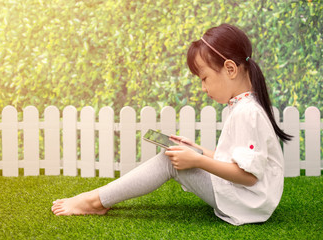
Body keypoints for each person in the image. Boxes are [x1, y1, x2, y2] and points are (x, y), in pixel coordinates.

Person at [51, 23, 292, 225]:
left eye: (205, 78)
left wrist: (197, 160)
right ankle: (96, 199)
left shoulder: (247, 112)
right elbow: (232, 159)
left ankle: (94, 201)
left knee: (169, 161)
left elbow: (249, 177)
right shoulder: (243, 106)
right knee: (174, 155)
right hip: (248, 200)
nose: (203, 88)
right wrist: (196, 150)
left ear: (230, 68)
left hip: (247, 203)